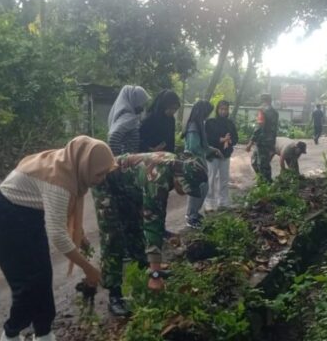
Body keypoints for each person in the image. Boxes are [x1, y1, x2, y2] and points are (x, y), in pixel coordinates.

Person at [0, 136, 115, 341]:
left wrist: (79, 233)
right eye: (98, 174)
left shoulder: (70, 164)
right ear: (85, 165)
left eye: (104, 174)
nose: (101, 179)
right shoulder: (59, 180)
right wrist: (88, 268)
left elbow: (65, 211)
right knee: (27, 286)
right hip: (6, 218)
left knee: (43, 278)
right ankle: (11, 333)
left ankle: (44, 332)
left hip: (29, 215)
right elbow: (58, 236)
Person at [92, 152, 207, 317]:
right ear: (180, 177)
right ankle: (114, 294)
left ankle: (143, 272)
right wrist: (156, 274)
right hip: (106, 182)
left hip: (130, 189)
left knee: (135, 229)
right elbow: (153, 226)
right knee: (113, 237)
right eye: (185, 187)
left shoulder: (174, 164)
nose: (185, 192)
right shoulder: (158, 177)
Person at [182, 100, 221, 228]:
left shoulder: (199, 124)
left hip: (199, 161)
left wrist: (212, 150)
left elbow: (202, 146)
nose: (208, 115)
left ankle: (194, 213)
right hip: (194, 162)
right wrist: (207, 151)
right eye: (207, 112)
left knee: (203, 188)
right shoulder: (194, 126)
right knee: (197, 189)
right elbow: (194, 147)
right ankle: (190, 216)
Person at [205, 100, 238, 210]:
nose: (224, 111)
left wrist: (229, 141)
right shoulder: (210, 122)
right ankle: (209, 202)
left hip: (226, 154)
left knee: (224, 178)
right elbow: (207, 138)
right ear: (217, 109)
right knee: (211, 178)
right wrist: (221, 139)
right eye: (221, 109)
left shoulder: (230, 123)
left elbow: (236, 138)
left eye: (226, 109)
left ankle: (223, 201)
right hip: (213, 154)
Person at [107, 85, 150, 155]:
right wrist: (121, 159)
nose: (142, 108)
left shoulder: (122, 117)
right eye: (141, 104)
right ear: (134, 101)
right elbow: (113, 140)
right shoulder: (128, 118)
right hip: (126, 163)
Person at [246, 93, 279, 183]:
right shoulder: (275, 112)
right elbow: (274, 129)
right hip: (269, 142)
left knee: (261, 164)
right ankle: (262, 181)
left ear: (263, 100)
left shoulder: (262, 111)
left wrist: (250, 143)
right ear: (270, 100)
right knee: (258, 163)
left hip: (262, 142)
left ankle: (267, 184)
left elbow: (259, 127)